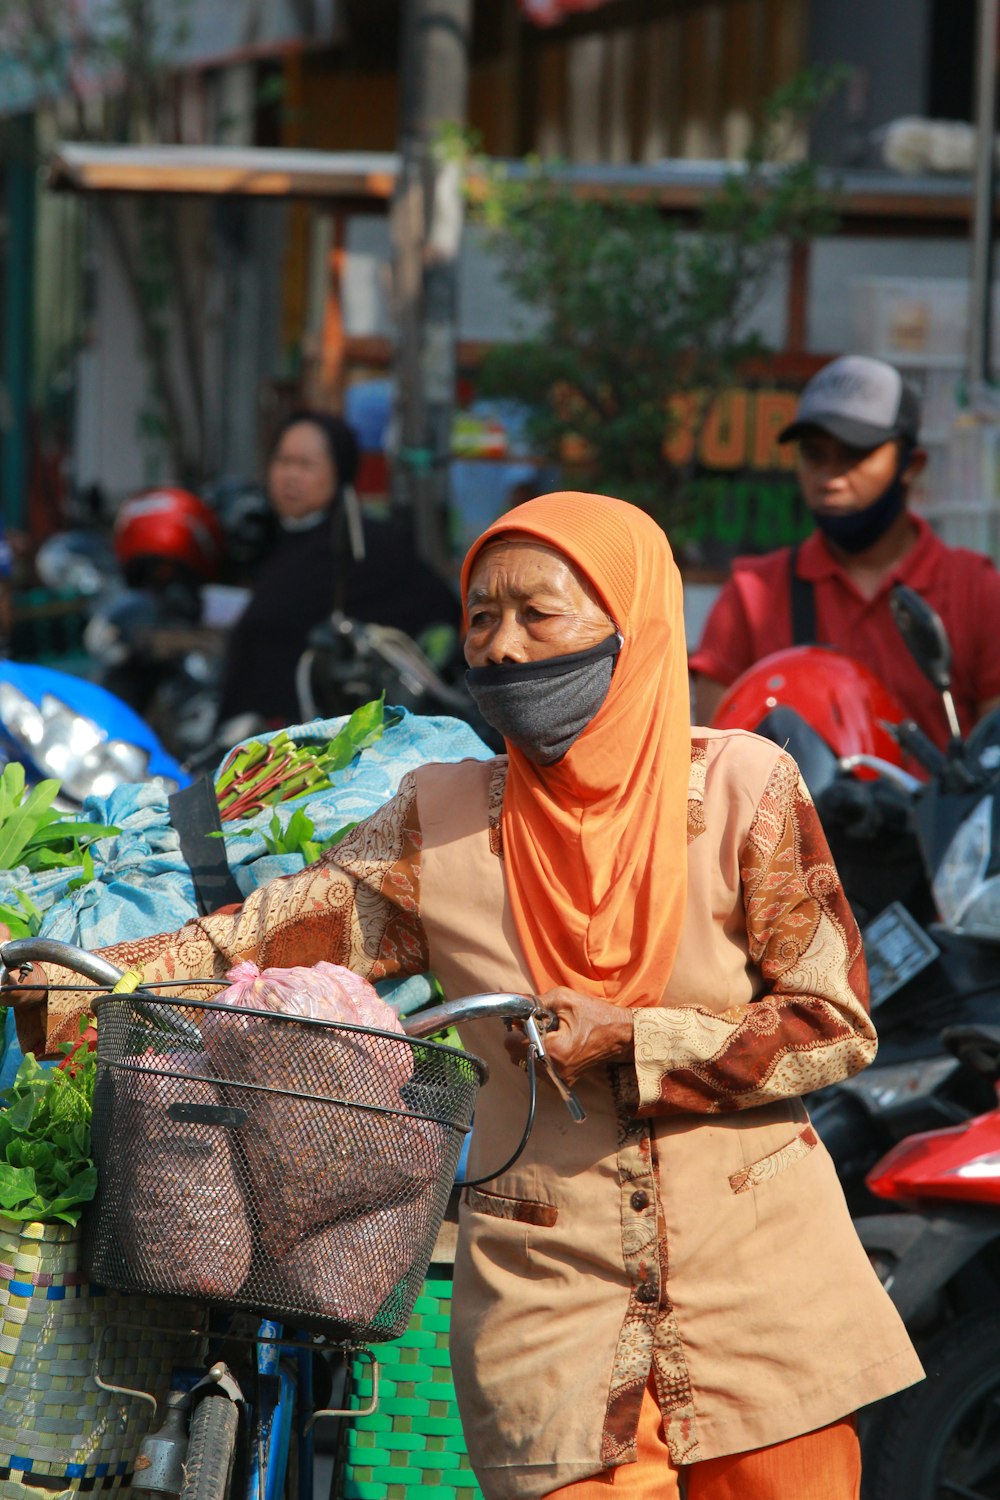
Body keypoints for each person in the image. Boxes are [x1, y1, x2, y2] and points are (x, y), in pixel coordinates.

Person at [4, 492, 921, 1500]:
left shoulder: (747, 790)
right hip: (552, 1309)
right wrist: (78, 984)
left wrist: (636, 1039)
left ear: (632, 626)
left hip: (762, 1295)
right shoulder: (438, 820)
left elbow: (830, 1025)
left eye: (541, 615)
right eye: (482, 618)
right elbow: (259, 938)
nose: (506, 647)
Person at [689, 355, 1000, 749]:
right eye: (814, 454)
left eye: (854, 454)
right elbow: (714, 761)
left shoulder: (977, 592)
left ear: (911, 464)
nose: (830, 478)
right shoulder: (752, 596)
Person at [214, 409, 460, 728]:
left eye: (305, 465)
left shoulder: (365, 550)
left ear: (339, 472)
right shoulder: (260, 537)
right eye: (282, 461)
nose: (289, 475)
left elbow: (438, 618)